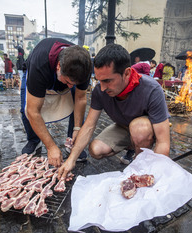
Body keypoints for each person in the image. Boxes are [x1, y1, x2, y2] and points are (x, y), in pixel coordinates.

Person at [58, 43, 170, 180]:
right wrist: (71, 159)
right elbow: (89, 125)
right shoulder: (100, 91)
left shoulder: (152, 89)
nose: (103, 88)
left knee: (139, 129)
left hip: (145, 128)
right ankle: (132, 145)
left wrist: (154, 175)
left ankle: (141, 163)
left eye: (108, 81)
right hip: (123, 126)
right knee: (95, 149)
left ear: (127, 73)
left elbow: (163, 142)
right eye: (99, 81)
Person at [22, 38, 92, 167]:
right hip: (40, 69)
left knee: (75, 102)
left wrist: (78, 128)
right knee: (25, 109)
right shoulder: (39, 65)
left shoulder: (85, 67)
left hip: (62, 72)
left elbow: (80, 99)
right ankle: (33, 140)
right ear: (59, 66)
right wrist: (51, 147)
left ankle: (73, 142)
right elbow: (33, 111)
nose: (71, 87)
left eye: (74, 84)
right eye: (68, 82)